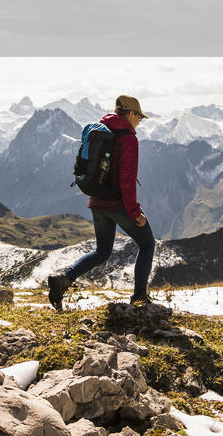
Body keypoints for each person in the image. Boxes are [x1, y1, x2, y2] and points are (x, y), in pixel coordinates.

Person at [47, 94, 155, 310]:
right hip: (117, 204)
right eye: (139, 118)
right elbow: (126, 180)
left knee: (102, 252)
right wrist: (135, 212)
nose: (138, 122)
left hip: (97, 202)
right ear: (131, 114)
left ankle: (63, 280)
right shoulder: (128, 139)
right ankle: (140, 297)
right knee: (147, 244)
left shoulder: (101, 131)